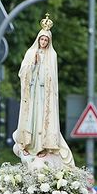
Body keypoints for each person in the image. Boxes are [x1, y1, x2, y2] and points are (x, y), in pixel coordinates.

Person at [13, 14, 72, 166]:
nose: (44, 42)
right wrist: (33, 64)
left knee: (43, 118)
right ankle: (28, 144)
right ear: (38, 39)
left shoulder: (52, 55)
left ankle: (42, 146)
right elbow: (22, 72)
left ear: (49, 41)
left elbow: (52, 76)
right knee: (31, 117)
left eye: (46, 40)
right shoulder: (30, 53)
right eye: (42, 39)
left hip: (44, 94)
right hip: (32, 93)